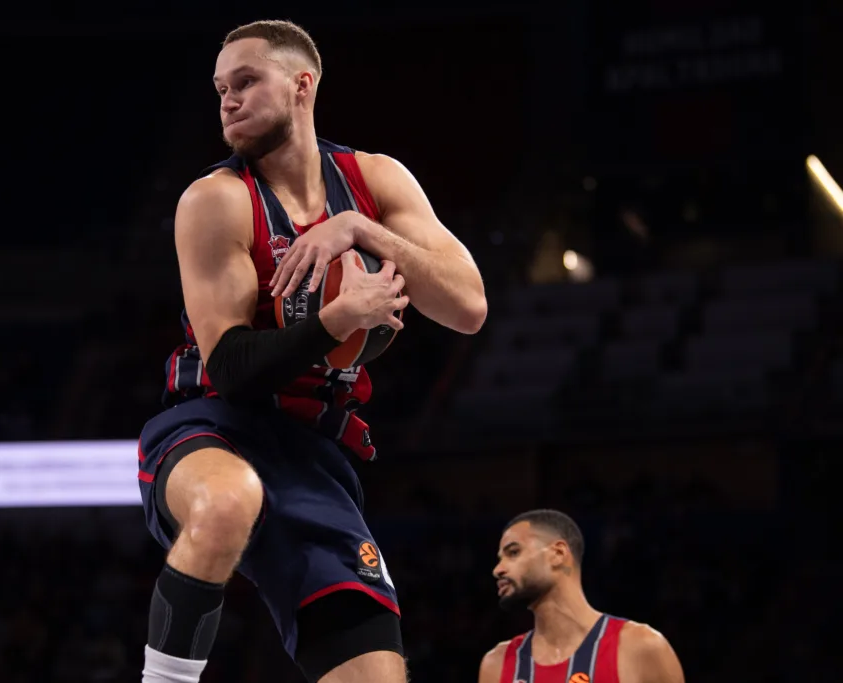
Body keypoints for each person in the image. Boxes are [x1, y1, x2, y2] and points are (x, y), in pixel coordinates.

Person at [136, 18, 487, 683]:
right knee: (228, 502)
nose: (228, 101)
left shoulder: (374, 180)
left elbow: (468, 306)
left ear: (302, 85)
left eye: (245, 82)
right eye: (220, 89)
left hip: (314, 450)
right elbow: (232, 372)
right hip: (211, 425)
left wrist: (358, 229)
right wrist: (338, 319)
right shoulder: (214, 200)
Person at [478, 510, 685, 683]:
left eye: (513, 552)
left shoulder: (641, 648)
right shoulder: (496, 665)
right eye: (500, 558)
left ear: (558, 554)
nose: (498, 569)